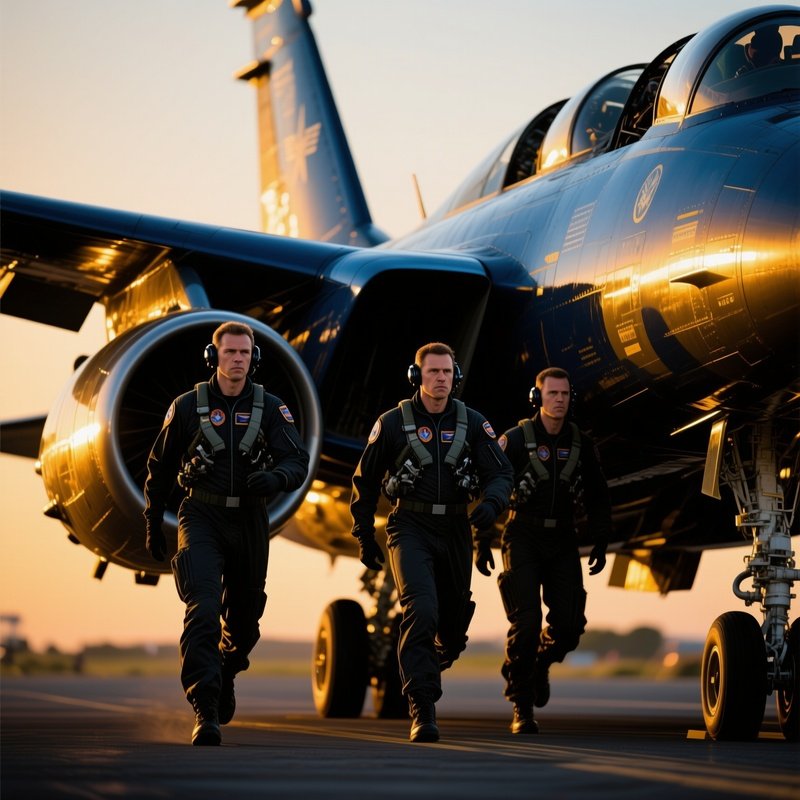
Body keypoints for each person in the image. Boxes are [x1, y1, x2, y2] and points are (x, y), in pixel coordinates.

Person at [143, 321, 310, 745]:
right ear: (213, 357)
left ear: (253, 359)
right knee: (201, 610)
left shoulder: (272, 409)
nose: (236, 359)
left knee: (245, 621)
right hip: (200, 515)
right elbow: (159, 469)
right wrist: (151, 520)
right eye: (229, 352)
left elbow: (297, 460)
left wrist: (276, 478)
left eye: (244, 353)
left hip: (250, 520)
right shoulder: (186, 406)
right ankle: (205, 707)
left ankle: (227, 667)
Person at [350, 342, 513, 742]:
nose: (440, 379)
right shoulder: (391, 423)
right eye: (432, 372)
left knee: (452, 629)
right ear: (417, 376)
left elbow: (501, 473)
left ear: (455, 377)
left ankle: (431, 660)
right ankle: (422, 708)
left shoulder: (473, 424)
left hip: (456, 529)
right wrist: (362, 533)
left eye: (446, 373)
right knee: (420, 609)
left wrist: (492, 505)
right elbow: (365, 481)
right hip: (409, 526)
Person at [475, 367, 611, 734]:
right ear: (537, 398)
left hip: (564, 539)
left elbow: (598, 495)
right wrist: (482, 540)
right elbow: (491, 487)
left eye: (565, 395)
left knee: (569, 628)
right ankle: (522, 704)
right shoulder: (516, 441)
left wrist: (600, 538)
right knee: (527, 621)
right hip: (522, 536)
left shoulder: (580, 443)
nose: (560, 400)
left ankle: (538, 664)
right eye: (552, 394)